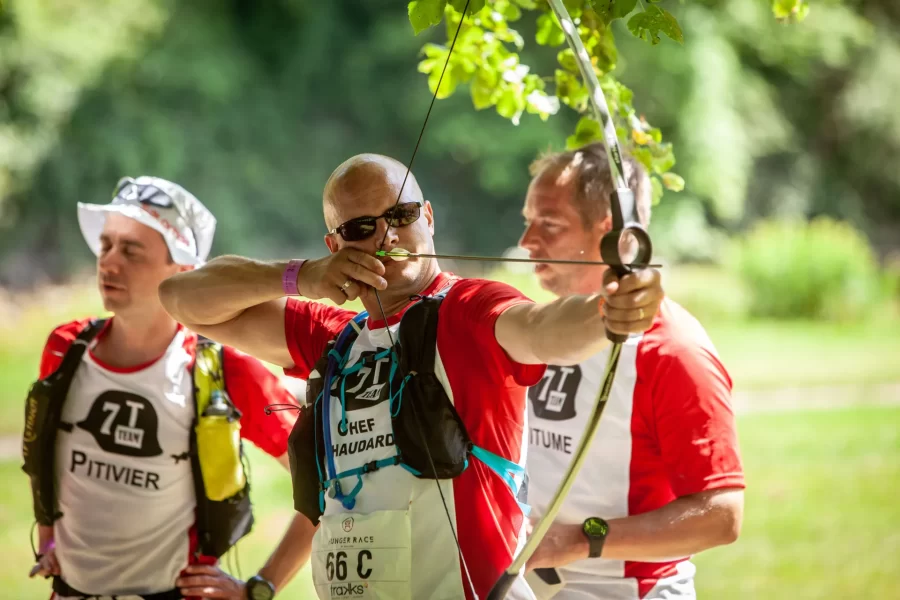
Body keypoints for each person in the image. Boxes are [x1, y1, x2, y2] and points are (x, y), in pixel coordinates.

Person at [157, 153, 666, 600]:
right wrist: (300, 277)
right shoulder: (333, 336)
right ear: (335, 244)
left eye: (400, 215)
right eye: (362, 228)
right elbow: (181, 300)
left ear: (428, 216)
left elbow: (542, 327)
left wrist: (607, 312)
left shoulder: (469, 310)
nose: (388, 236)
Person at [23, 176, 315, 600]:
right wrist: (50, 538)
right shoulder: (65, 349)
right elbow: (46, 455)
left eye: (132, 250)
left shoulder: (223, 370)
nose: (109, 262)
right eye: (106, 245)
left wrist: (260, 588)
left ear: (183, 271)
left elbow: (326, 479)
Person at [517, 143, 746, 599]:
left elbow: (721, 514)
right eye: (528, 221)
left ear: (616, 236)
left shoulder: (672, 350)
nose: (527, 242)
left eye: (551, 225)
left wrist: (583, 539)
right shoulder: (537, 330)